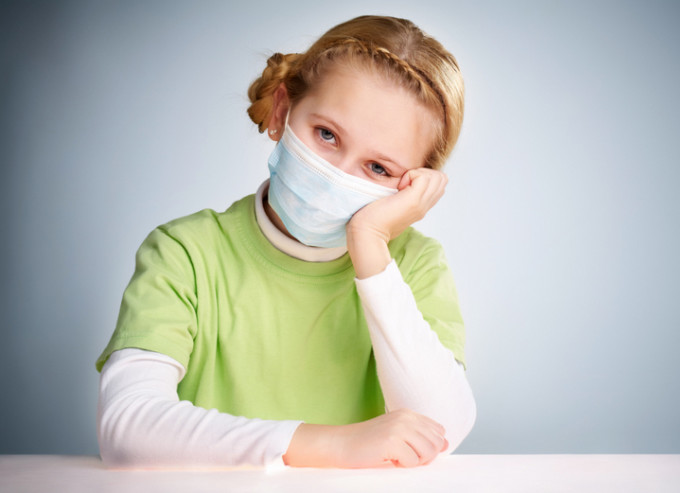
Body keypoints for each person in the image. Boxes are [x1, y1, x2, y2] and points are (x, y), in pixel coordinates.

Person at [96, 14, 475, 469]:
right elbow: (127, 427)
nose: (338, 173)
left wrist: (370, 244)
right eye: (327, 135)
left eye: (379, 168)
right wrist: (333, 445)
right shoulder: (185, 253)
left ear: (412, 185)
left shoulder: (415, 265)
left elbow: (441, 431)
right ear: (281, 112)